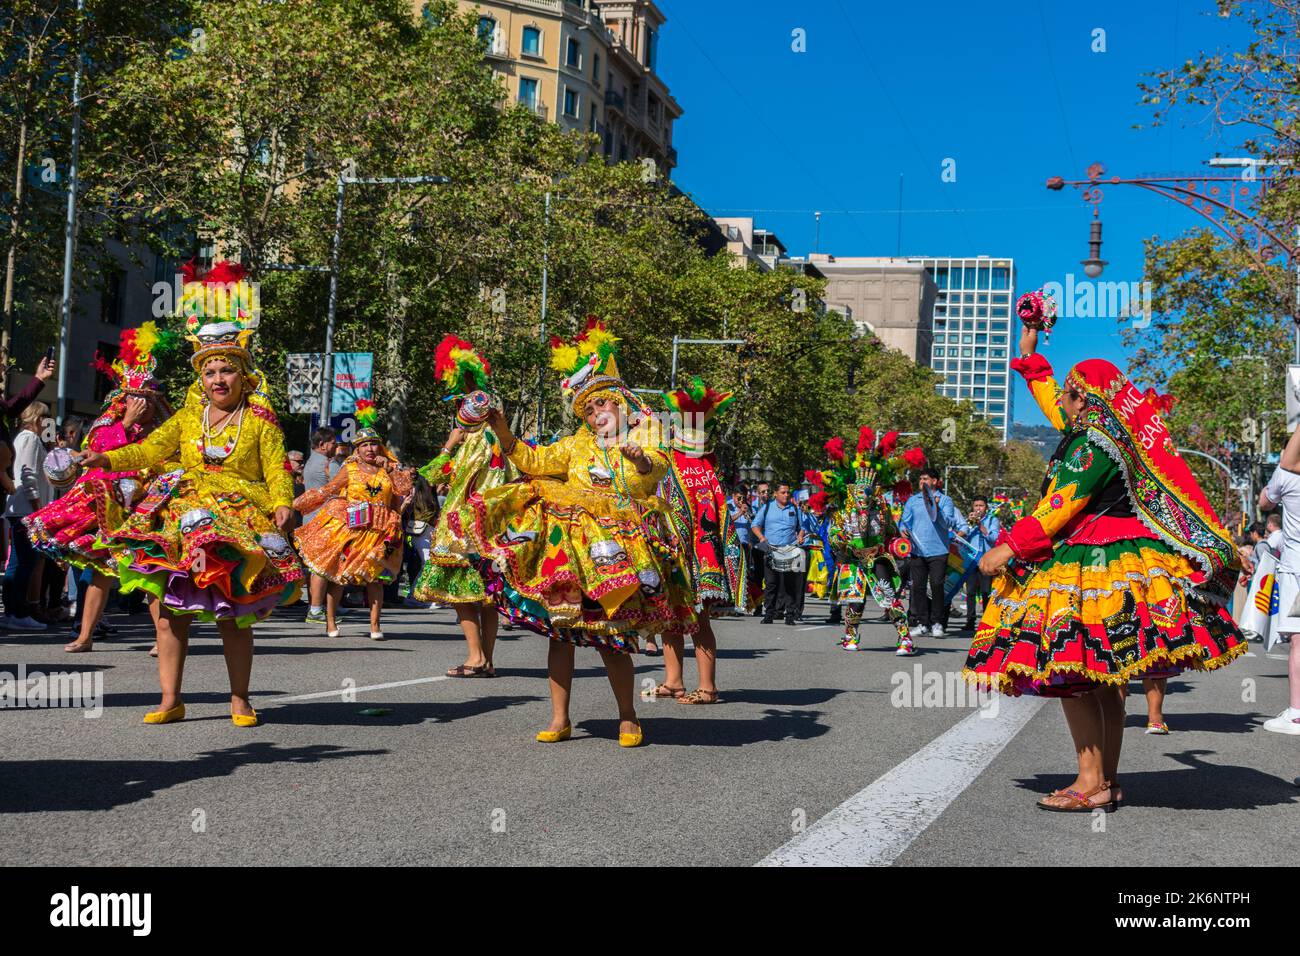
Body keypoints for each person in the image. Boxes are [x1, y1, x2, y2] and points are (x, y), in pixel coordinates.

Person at [965, 319, 1246, 810]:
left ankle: (1088, 782)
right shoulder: (1110, 434)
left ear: (1084, 400)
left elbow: (1061, 504)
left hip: (1091, 561)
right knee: (1106, 679)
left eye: (1069, 397)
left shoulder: (1092, 442)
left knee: (1071, 671)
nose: (1063, 407)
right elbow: (1058, 407)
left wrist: (1007, 547)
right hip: (1128, 560)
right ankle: (1104, 782)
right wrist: (1032, 358)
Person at [78, 261, 301, 726]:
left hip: (237, 520)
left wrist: (283, 502)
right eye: (211, 372)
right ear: (201, 379)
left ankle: (239, 698)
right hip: (183, 518)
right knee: (170, 613)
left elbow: (277, 469)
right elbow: (149, 448)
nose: (218, 379)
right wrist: (107, 459)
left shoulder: (261, 420)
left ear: (243, 375)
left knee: (231, 615)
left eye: (227, 371)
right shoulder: (185, 418)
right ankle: (169, 700)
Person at [465, 319, 695, 746]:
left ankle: (627, 716)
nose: (594, 415)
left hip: (618, 549)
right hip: (570, 549)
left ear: (621, 406)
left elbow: (654, 471)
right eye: (588, 411)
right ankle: (559, 719)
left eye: (601, 407)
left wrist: (638, 459)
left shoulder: (647, 435)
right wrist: (500, 427)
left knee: (611, 634)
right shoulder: (575, 444)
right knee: (562, 631)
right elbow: (532, 461)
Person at [25, 323, 176, 651]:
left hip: (146, 514)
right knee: (99, 574)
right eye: (137, 399)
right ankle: (85, 636)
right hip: (109, 513)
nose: (143, 406)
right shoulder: (109, 423)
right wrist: (124, 423)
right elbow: (100, 451)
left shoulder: (163, 430)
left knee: (150, 573)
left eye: (147, 400)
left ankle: (161, 639)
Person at [414, 335, 515, 677]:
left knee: (461, 592)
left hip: (465, 525)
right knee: (487, 595)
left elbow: (434, 474)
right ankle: (487, 660)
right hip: (494, 525)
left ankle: (474, 658)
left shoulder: (473, 440)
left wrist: (448, 444)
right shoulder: (500, 439)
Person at [654, 376, 750, 704]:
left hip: (692, 559)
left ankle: (707, 688)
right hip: (681, 556)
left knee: (695, 619)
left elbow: (701, 520)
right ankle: (673, 681)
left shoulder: (690, 471)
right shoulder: (697, 469)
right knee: (671, 616)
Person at [293, 401, 412, 642]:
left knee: (375, 578)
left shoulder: (386, 470)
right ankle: (330, 621)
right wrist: (302, 502)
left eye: (373, 444)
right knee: (341, 576)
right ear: (357, 450)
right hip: (354, 529)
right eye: (364, 445)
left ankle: (375, 625)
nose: (369, 449)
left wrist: (391, 468)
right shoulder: (350, 469)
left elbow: (405, 488)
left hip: (380, 531)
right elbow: (329, 489)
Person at [812, 426, 921, 653]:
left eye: (868, 492)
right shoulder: (842, 514)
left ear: (875, 492)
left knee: (888, 597)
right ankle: (850, 637)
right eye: (860, 492)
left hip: (877, 559)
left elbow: (892, 534)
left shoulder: (882, 512)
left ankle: (905, 639)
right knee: (855, 601)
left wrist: (897, 544)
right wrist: (841, 539)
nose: (864, 496)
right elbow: (833, 537)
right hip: (853, 560)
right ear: (852, 491)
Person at [1258, 412, 1300, 735]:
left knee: (1299, 642)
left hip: (1296, 570)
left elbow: (1264, 503)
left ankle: (1297, 711)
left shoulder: (1286, 476)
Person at [898, 466, 969, 640]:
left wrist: (937, 508)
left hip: (939, 550)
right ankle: (922, 624)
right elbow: (904, 522)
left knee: (937, 586)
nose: (922, 482)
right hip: (917, 550)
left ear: (935, 481)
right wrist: (902, 531)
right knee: (918, 588)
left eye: (926, 479)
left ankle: (937, 622)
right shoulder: (913, 501)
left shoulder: (945, 501)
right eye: (921, 479)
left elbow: (949, 523)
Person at [2, 402, 52, 631]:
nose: (47, 421)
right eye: (45, 416)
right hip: (26, 509)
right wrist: (38, 507)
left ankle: (14, 610)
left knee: (19, 562)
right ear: (37, 417)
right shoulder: (29, 439)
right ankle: (18, 611)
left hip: (21, 508)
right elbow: (27, 474)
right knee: (26, 562)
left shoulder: (29, 438)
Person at [751, 482, 805, 626]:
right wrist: (762, 538)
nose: (786, 495)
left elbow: (802, 527)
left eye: (788, 492)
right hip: (771, 550)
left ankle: (790, 615)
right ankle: (769, 613)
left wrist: (800, 535)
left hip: (790, 550)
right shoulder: (767, 507)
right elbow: (755, 525)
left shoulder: (794, 508)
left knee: (789, 584)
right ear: (776, 493)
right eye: (783, 492)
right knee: (771, 583)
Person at [301, 426, 339, 624]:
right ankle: (316, 609)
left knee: (313, 566)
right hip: (323, 521)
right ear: (322, 445)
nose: (336, 446)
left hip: (309, 520)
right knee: (322, 566)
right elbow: (341, 487)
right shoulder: (327, 464)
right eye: (333, 443)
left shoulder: (309, 463)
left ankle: (314, 607)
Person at [962, 495, 1000, 632]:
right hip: (972, 561)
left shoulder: (992, 520)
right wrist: (969, 524)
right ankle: (970, 621)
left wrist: (981, 526)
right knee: (970, 591)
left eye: (981, 506)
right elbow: (963, 537)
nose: (978, 508)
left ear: (986, 508)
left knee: (986, 592)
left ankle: (986, 621)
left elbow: (994, 538)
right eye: (976, 505)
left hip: (987, 561)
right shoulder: (968, 521)